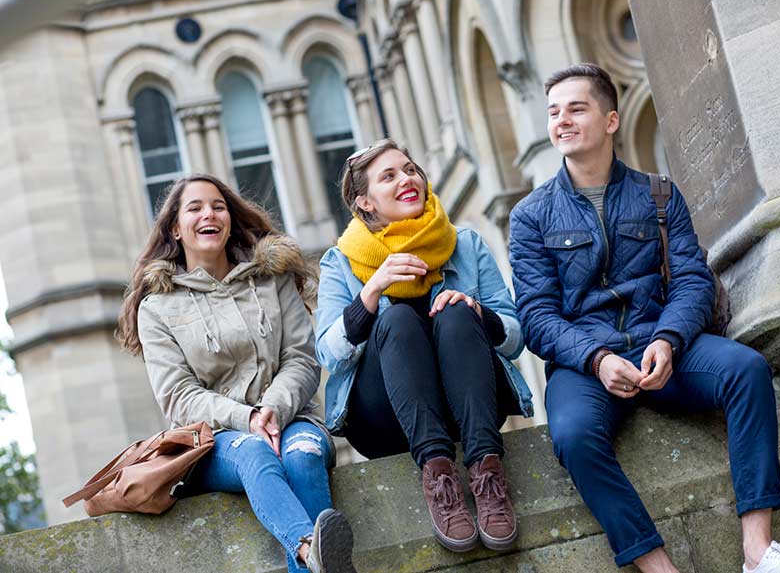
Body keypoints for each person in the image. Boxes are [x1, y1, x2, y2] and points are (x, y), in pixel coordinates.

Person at [508, 64, 780, 573]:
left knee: (745, 370)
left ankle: (759, 552)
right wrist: (597, 358)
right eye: (553, 112)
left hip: (663, 342)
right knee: (571, 437)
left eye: (576, 108)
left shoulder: (659, 194)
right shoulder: (530, 216)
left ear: (611, 120)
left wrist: (670, 339)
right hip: (586, 364)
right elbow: (538, 316)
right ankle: (659, 568)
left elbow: (693, 281)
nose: (561, 121)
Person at [117, 174, 358, 573]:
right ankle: (308, 548)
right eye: (194, 208)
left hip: (292, 420)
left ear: (229, 219)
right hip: (217, 442)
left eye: (218, 206)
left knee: (302, 456)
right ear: (175, 229)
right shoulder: (157, 308)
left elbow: (301, 358)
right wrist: (245, 419)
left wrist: (272, 409)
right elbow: (178, 395)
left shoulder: (272, 278)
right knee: (255, 451)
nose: (208, 214)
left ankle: (311, 557)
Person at [315, 139, 534, 553]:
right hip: (385, 419)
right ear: (365, 202)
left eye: (410, 169)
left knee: (454, 310)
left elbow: (516, 338)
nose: (407, 179)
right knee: (395, 317)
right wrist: (372, 291)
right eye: (389, 176)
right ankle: (440, 479)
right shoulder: (340, 261)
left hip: (467, 407)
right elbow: (329, 354)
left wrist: (479, 313)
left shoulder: (463, 243)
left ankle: (487, 476)